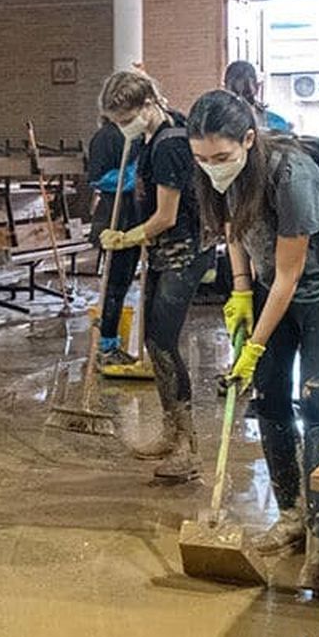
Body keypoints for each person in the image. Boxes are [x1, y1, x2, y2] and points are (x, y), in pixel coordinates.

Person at [188, 89, 319, 598]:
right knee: (267, 395)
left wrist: (252, 346)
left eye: (221, 158)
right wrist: (241, 290)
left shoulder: (293, 175)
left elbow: (291, 275)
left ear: (248, 139)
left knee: (316, 399)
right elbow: (235, 230)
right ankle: (290, 513)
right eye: (202, 160)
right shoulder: (220, 173)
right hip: (271, 283)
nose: (212, 168)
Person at [96, 70, 213, 482]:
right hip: (171, 251)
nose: (120, 128)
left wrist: (127, 237)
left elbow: (165, 215)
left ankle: (186, 445)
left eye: (124, 118)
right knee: (154, 340)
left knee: (162, 341)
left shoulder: (168, 146)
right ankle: (171, 431)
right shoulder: (160, 131)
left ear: (148, 106)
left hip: (183, 250)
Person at [85, 114, 141, 367]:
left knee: (124, 283)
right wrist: (130, 176)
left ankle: (112, 342)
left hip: (133, 217)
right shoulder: (106, 136)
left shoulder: (136, 135)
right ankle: (106, 345)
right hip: (114, 217)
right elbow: (96, 177)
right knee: (114, 285)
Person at [223, 59, 290, 132]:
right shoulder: (278, 123)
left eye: (246, 92)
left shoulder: (217, 124)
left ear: (224, 88)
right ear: (257, 87)